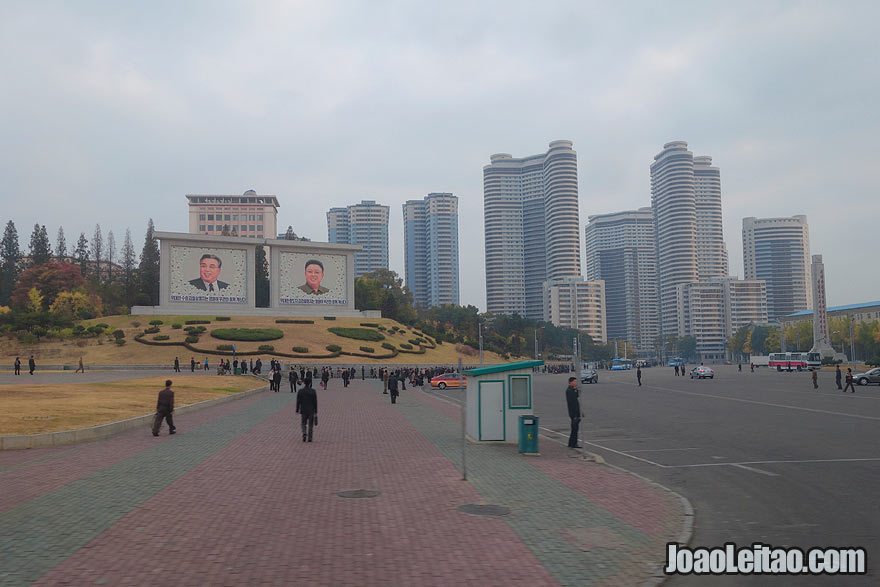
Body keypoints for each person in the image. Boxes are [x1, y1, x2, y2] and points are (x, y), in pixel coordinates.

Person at [565, 377, 581, 449]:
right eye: (574, 381)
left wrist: (577, 389)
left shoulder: (572, 390)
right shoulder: (570, 390)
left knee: (575, 429)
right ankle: (573, 443)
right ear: (570, 382)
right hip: (573, 413)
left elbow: (577, 396)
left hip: (575, 412)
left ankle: (572, 443)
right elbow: (573, 403)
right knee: (574, 429)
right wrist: (576, 413)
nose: (576, 383)